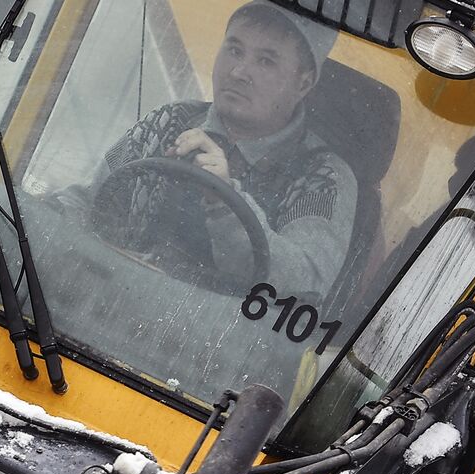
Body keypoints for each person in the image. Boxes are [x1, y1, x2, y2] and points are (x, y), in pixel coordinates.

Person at [95, 1, 357, 300]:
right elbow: (89, 204)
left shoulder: (324, 176)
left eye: (266, 61)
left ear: (304, 83)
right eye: (234, 50)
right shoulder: (169, 121)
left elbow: (300, 285)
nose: (239, 71)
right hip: (112, 308)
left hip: (222, 342)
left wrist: (225, 200)